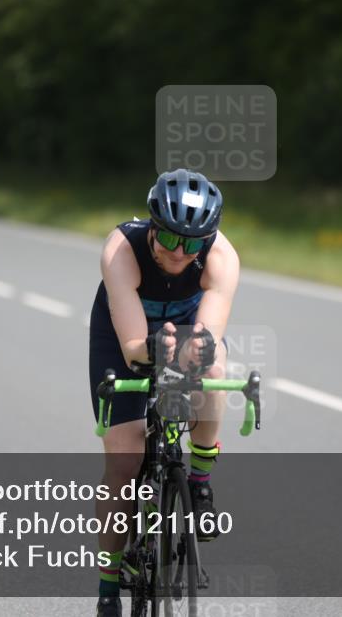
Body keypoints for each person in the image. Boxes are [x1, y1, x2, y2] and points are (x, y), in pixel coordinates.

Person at [88, 169, 240, 616]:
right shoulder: (121, 249)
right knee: (125, 458)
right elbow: (135, 347)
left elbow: (208, 334)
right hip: (122, 335)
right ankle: (108, 587)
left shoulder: (222, 257)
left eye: (191, 244)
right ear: (152, 227)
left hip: (188, 328)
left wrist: (194, 352)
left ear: (206, 241)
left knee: (212, 365)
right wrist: (153, 351)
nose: (179, 252)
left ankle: (200, 479)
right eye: (169, 239)